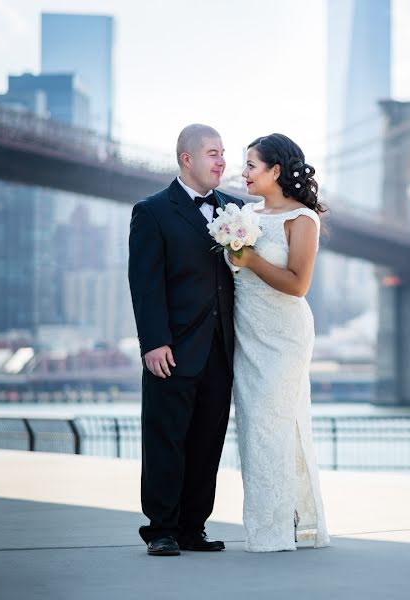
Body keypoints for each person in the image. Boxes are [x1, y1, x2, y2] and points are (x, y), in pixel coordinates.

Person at [128, 124, 242, 556]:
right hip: (172, 349)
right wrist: (153, 342)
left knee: (206, 442)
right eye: (213, 153)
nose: (222, 161)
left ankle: (194, 527)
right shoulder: (153, 211)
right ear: (187, 159)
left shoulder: (235, 209)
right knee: (165, 438)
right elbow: (145, 282)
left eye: (224, 153)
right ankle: (161, 528)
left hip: (222, 349)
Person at [227, 133, 330, 551]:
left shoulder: (303, 219)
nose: (243, 173)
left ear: (275, 171)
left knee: (276, 424)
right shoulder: (243, 215)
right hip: (246, 332)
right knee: (254, 428)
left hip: (285, 335)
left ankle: (287, 528)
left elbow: (298, 284)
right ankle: (270, 527)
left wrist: (249, 258)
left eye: (251, 165)